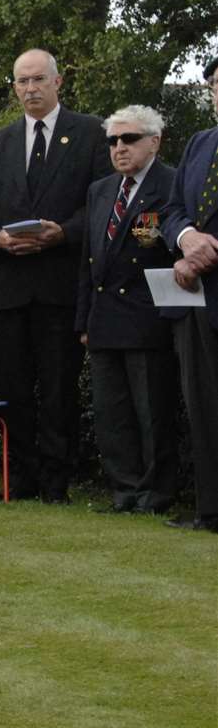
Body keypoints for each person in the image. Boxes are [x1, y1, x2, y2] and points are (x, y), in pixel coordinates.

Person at [0, 49, 109, 504]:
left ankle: (55, 483)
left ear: (57, 82)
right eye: (21, 82)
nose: (29, 89)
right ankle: (17, 479)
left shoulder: (90, 134)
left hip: (60, 284)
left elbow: (103, 204)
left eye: (37, 80)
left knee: (59, 388)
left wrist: (61, 233)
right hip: (8, 288)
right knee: (11, 389)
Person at [74, 105, 179, 514]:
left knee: (152, 410)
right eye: (113, 140)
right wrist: (84, 319)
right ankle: (125, 490)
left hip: (149, 316)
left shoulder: (171, 185)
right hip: (104, 318)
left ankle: (156, 493)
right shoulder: (101, 191)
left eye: (129, 139)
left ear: (154, 141)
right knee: (111, 412)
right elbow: (88, 259)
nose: (119, 148)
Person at [161, 58, 218, 533]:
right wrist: (184, 244)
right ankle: (210, 509)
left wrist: (207, 249)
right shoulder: (200, 143)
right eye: (216, 85)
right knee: (203, 405)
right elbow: (174, 209)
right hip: (201, 298)